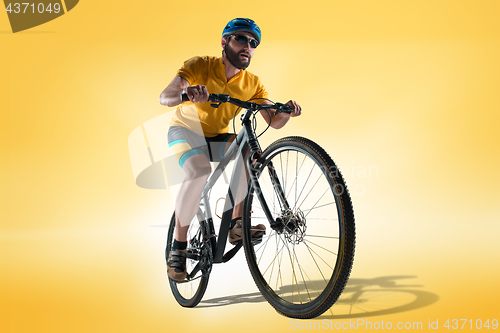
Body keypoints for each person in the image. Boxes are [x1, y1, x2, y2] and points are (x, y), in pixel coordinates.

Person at [159, 18, 302, 281]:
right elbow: (164, 96)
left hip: (217, 137)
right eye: (241, 39)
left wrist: (287, 112)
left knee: (249, 147)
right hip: (185, 133)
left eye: (253, 42)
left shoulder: (253, 83)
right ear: (225, 42)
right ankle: (177, 248)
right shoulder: (200, 65)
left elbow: (273, 120)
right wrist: (187, 93)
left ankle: (237, 222)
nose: (248, 45)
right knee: (199, 170)